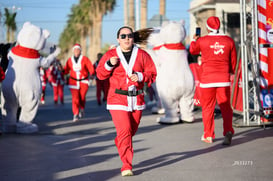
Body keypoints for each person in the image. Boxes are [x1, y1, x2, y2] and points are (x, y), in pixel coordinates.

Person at [96, 26, 157, 176]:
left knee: (130, 131)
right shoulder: (111, 54)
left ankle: (121, 141)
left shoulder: (142, 55)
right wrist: (109, 64)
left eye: (129, 36)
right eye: (123, 36)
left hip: (137, 98)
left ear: (133, 37)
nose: (126, 38)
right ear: (118, 39)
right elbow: (100, 75)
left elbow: (152, 73)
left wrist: (141, 76)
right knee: (124, 131)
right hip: (117, 98)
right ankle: (126, 165)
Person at [189, 16, 237, 145]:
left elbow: (192, 50)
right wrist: (230, 72)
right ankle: (228, 131)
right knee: (226, 107)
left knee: (208, 108)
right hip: (223, 79)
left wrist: (194, 39)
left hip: (207, 80)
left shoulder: (202, 40)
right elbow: (233, 61)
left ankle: (208, 135)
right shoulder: (229, 40)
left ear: (207, 28)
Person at [63, 44, 95, 122]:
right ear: (73, 51)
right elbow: (66, 70)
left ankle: (82, 108)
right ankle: (76, 114)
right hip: (73, 82)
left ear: (80, 51)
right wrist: (62, 70)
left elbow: (91, 68)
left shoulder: (85, 59)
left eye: (78, 50)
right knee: (75, 99)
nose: (76, 51)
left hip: (83, 82)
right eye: (75, 50)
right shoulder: (70, 60)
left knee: (82, 98)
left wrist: (91, 75)